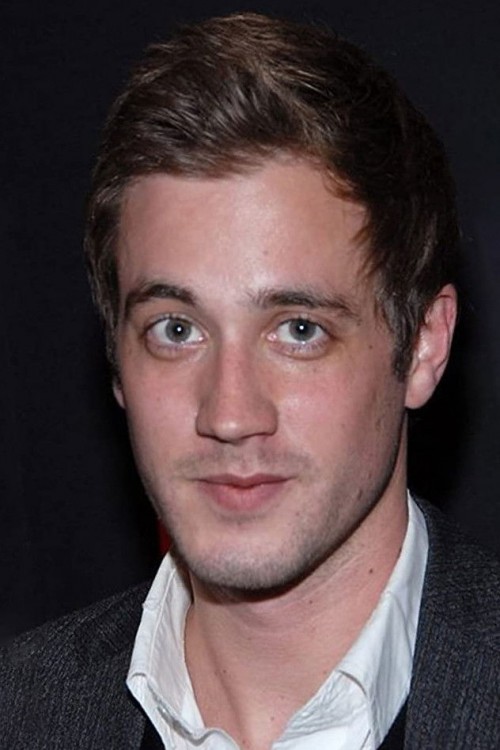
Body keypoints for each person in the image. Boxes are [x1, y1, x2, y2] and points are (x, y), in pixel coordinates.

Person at [2, 11, 500, 750]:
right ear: (116, 360)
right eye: (177, 330)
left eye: (298, 330)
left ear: (424, 346)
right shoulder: (20, 712)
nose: (230, 414)